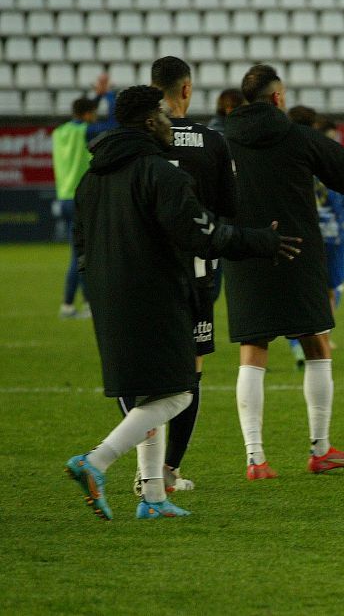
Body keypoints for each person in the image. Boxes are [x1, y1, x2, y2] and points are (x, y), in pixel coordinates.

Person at [64, 85, 300, 520]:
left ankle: (153, 497)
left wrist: (99, 282)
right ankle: (95, 461)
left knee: (150, 396)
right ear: (151, 120)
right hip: (154, 295)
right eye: (163, 114)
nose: (169, 121)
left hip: (106, 296)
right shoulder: (159, 174)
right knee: (177, 394)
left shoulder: (93, 177)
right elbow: (203, 235)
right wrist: (261, 241)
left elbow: (80, 242)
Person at [223, 64, 344, 480]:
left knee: (252, 351)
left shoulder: (222, 141)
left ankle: (255, 458)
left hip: (243, 250)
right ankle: (320, 449)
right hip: (298, 253)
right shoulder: (298, 136)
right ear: (278, 98)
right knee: (316, 343)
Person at [111, 56, 238, 499]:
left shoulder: (133, 145)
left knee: (141, 375)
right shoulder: (211, 142)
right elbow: (227, 213)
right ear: (186, 90)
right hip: (199, 272)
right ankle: (165, 471)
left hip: (140, 270)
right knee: (189, 375)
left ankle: (147, 474)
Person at [286, 107, 344, 368]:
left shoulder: (297, 158)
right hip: (333, 236)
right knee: (331, 291)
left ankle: (299, 345)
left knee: (301, 290)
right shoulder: (335, 157)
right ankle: (320, 340)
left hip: (304, 233)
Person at [50, 73, 118, 319]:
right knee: (82, 254)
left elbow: (86, 112)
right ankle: (75, 305)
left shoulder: (60, 132)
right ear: (89, 114)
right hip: (82, 197)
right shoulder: (86, 132)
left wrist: (96, 96)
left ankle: (78, 303)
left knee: (79, 251)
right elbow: (114, 123)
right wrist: (109, 95)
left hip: (63, 196)